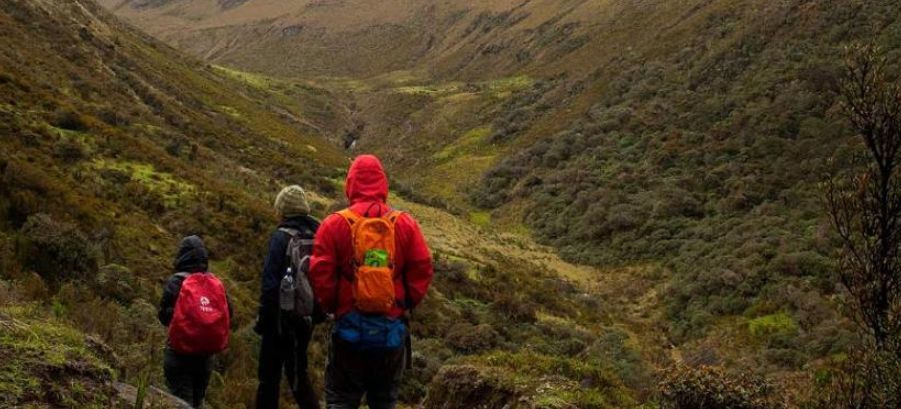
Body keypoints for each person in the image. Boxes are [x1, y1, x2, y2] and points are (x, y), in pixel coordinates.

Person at [309, 155, 433, 409]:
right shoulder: (405, 223)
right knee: (384, 401)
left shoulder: (334, 224)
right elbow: (422, 267)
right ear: (383, 183)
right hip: (391, 331)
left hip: (348, 331)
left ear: (350, 184)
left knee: (342, 400)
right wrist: (404, 303)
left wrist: (335, 307)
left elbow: (321, 273)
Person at [255, 185, 322, 409]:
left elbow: (270, 285)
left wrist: (264, 320)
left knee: (268, 378)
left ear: (283, 210)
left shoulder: (280, 237)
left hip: (279, 319)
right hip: (305, 318)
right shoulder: (316, 235)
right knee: (298, 376)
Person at [158, 235, 232, 408]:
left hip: (179, 353)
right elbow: (230, 312)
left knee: (181, 400)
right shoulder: (214, 283)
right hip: (205, 356)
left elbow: (163, 316)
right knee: (197, 400)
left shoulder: (176, 281)